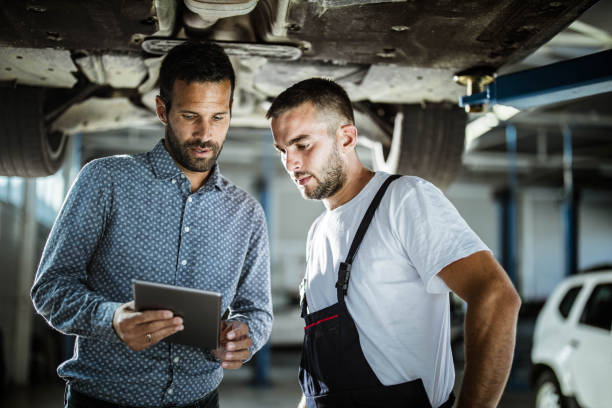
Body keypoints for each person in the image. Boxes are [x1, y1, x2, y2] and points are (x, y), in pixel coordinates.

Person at [31, 41, 273, 408]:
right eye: (191, 115)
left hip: (201, 401)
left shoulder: (246, 212)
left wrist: (245, 336)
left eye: (218, 117)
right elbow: (50, 288)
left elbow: (256, 310)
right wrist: (111, 319)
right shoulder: (106, 181)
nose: (206, 134)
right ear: (163, 110)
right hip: (102, 400)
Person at [267, 78, 521, 408]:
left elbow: (497, 297)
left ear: (346, 137)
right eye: (283, 150)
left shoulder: (403, 199)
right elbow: (323, 365)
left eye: (302, 145)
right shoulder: (318, 232)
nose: (291, 164)